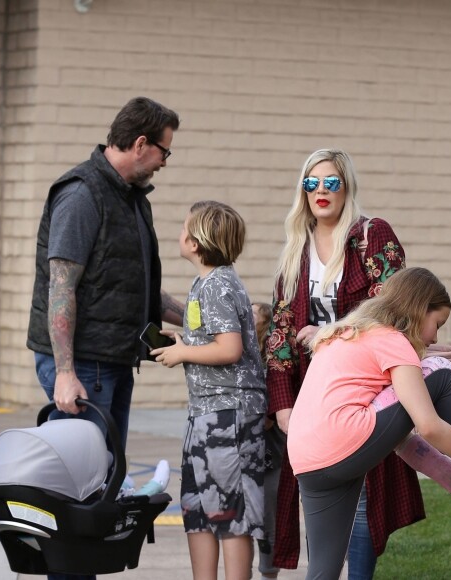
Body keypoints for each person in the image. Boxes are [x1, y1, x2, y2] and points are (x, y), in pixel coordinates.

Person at [287, 267, 451, 580]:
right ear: (420, 310)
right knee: (441, 370)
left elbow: (400, 439)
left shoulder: (351, 334)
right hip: (343, 441)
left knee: (323, 571)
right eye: (437, 324)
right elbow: (429, 425)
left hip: (309, 461)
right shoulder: (393, 340)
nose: (434, 336)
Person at [26, 96, 183, 580]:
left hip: (111, 361)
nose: (164, 161)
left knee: (101, 485)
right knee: (81, 489)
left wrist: (199, 319)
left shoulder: (131, 198)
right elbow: (62, 286)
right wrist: (66, 372)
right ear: (140, 144)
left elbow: (137, 287)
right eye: (164, 151)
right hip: (84, 365)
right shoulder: (83, 194)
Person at [264, 148, 424, 575]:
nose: (321, 190)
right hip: (310, 394)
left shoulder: (372, 236)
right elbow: (281, 329)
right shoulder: (295, 250)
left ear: (346, 186)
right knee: (320, 495)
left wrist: (330, 332)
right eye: (311, 182)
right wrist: (282, 404)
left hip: (364, 385)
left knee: (363, 492)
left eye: (331, 182)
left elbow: (392, 309)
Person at [153, 200, 267, 580]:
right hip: (205, 411)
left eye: (185, 227)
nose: (180, 233)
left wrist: (184, 351)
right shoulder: (206, 283)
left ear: (197, 242)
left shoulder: (218, 284)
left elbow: (229, 348)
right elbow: (215, 337)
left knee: (230, 511)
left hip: (229, 415)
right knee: (198, 507)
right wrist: (182, 339)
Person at [253, 302, 285, 580]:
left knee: (266, 520)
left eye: (252, 312)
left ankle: (268, 573)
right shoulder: (245, 357)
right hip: (247, 452)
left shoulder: (271, 365)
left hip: (269, 455)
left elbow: (267, 419)